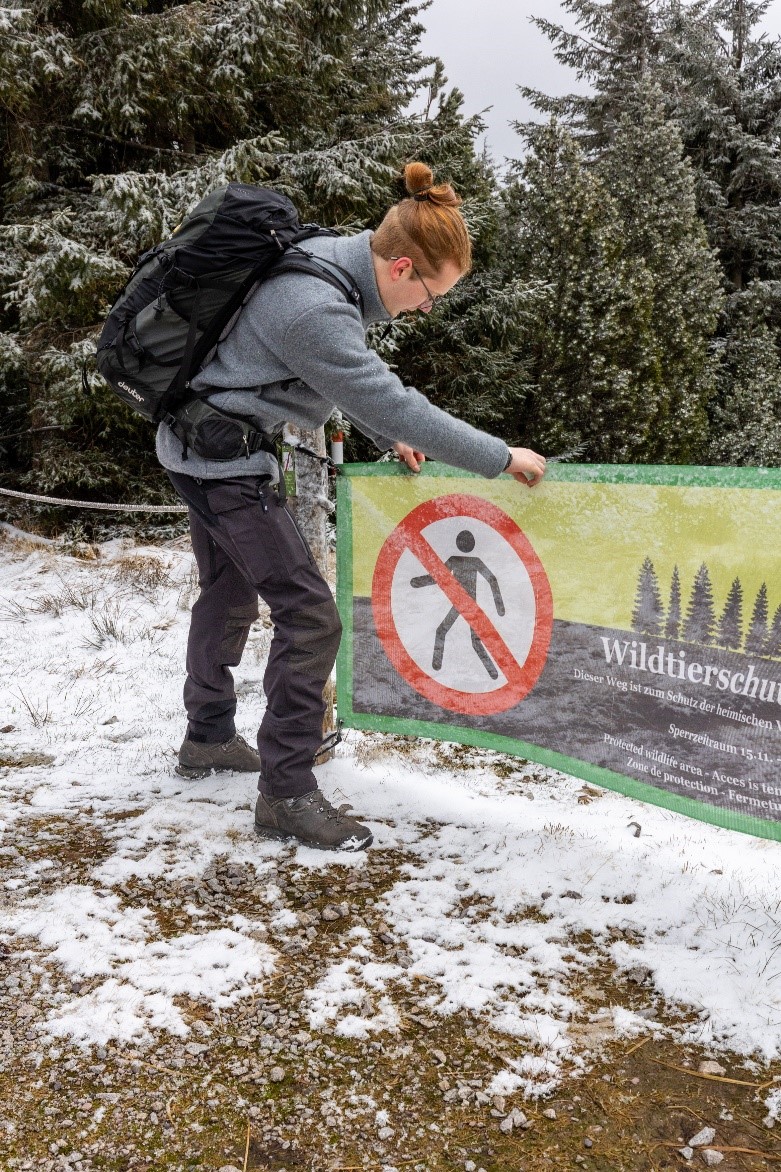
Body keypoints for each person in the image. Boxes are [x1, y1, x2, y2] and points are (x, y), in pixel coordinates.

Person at [158, 161, 546, 852]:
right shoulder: (313, 306)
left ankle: (208, 737)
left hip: (202, 445)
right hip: (222, 461)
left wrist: (382, 433)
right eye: (431, 295)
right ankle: (286, 792)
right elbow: (383, 392)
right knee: (310, 620)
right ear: (400, 267)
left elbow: (329, 377)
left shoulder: (326, 263)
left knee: (227, 592)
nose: (426, 309)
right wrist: (499, 456)